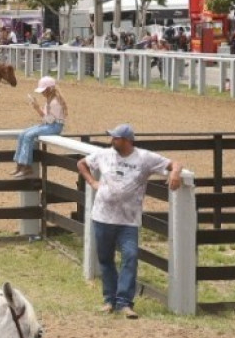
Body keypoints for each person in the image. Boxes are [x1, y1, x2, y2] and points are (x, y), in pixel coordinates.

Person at [76, 123, 184, 318]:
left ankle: (124, 301)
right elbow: (81, 163)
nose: (112, 141)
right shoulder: (104, 154)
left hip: (128, 220)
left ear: (127, 141)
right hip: (102, 216)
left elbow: (174, 164)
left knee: (130, 256)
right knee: (106, 259)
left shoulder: (144, 158)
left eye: (115, 138)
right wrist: (92, 182)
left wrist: (175, 173)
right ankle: (110, 299)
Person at [11, 76, 67, 178]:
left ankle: (26, 166)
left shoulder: (54, 102)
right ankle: (20, 164)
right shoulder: (50, 100)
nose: (42, 93)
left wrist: (37, 108)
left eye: (43, 90)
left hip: (54, 126)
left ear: (49, 89)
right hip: (51, 125)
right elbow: (47, 118)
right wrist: (37, 108)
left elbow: (49, 120)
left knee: (28, 135)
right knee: (23, 134)